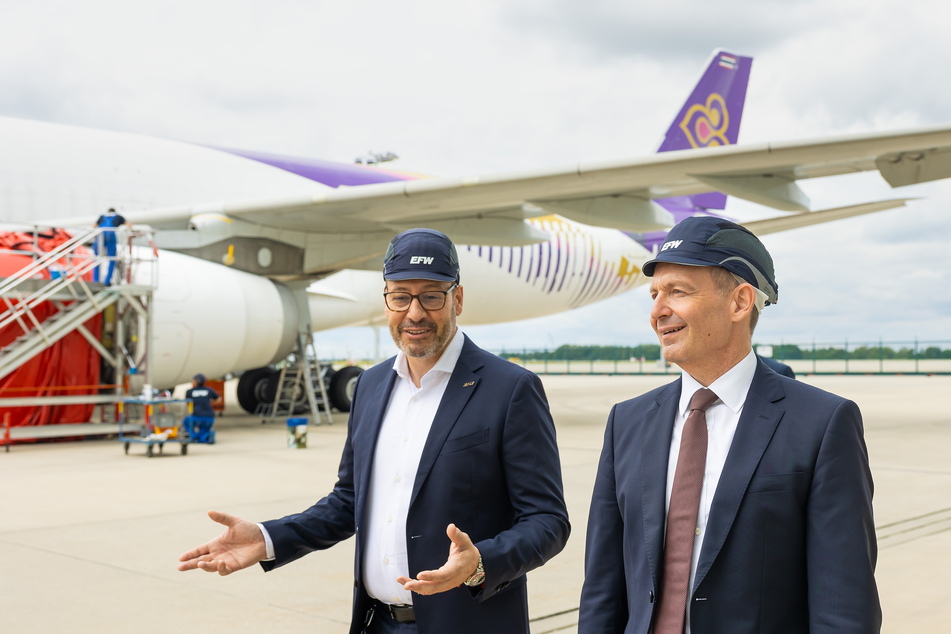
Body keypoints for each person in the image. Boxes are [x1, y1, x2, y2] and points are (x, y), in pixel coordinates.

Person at [178, 228, 570, 634]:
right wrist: (268, 538)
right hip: (377, 623)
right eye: (401, 296)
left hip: (467, 623)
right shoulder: (370, 386)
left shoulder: (510, 389)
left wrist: (482, 563)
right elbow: (350, 500)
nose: (414, 313)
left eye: (431, 296)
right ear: (387, 301)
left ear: (458, 299)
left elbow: (547, 520)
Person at [579, 216, 880, 633]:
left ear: (739, 302)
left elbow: (845, 607)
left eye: (677, 292)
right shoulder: (627, 422)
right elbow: (601, 589)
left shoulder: (823, 424)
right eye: (654, 295)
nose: (657, 311)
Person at [93, 207, 128, 284]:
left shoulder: (102, 216)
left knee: (97, 258)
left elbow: (94, 226)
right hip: (110, 234)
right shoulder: (119, 216)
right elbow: (128, 224)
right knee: (112, 258)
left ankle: (95, 280)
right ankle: (107, 280)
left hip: (100, 235)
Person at [183, 374, 219, 444]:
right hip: (209, 417)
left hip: (196, 417)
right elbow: (218, 399)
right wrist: (210, 401)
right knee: (204, 430)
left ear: (196, 382)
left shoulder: (190, 391)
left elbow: (187, 403)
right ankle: (206, 437)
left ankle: (194, 437)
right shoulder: (209, 390)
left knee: (186, 421)